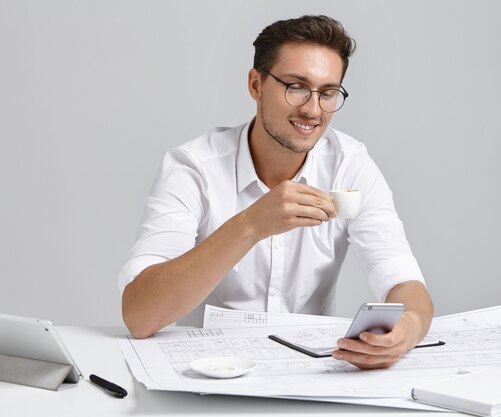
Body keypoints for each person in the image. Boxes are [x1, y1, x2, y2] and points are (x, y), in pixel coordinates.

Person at [119, 15, 433, 370]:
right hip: (208, 372)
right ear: (256, 84)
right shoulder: (194, 167)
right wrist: (251, 224)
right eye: (296, 87)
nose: (313, 110)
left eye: (328, 93)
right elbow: (140, 315)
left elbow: (404, 281)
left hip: (310, 372)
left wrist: (408, 328)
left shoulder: (350, 168)